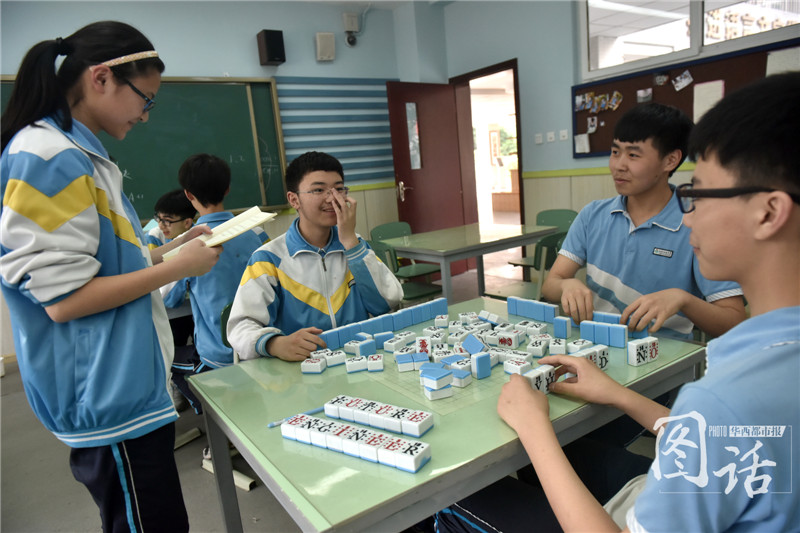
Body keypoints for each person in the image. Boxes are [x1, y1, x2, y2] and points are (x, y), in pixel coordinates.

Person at [436, 72, 800, 532]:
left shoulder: (721, 401)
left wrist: (535, 430)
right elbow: (728, 444)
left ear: (768, 212)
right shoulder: (759, 379)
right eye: (615, 151)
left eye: (701, 193)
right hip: (653, 470)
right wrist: (618, 395)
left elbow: (718, 429)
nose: (689, 219)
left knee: (460, 496)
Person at [0, 21, 222, 532]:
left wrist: (171, 250)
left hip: (122, 381)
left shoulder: (81, 152)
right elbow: (64, 300)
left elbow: (105, 262)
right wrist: (177, 268)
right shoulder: (48, 155)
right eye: (145, 99)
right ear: (101, 79)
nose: (146, 115)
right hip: (103, 391)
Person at [542, 102, 745, 339]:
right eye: (615, 152)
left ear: (670, 161)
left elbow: (734, 321)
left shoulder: (696, 224)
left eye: (633, 155)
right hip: (594, 346)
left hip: (661, 359)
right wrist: (568, 285)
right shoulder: (592, 215)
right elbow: (550, 285)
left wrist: (683, 300)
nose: (618, 165)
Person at [227, 150, 403, 361]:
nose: (332, 198)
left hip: (356, 360)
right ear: (294, 200)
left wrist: (350, 243)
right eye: (319, 190)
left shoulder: (354, 245)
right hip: (300, 369)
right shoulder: (269, 259)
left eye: (339, 189)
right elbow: (240, 327)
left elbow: (388, 302)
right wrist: (275, 343)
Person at [163, 153, 269, 414]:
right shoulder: (257, 231)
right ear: (228, 188)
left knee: (172, 359)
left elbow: (170, 300)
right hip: (261, 339)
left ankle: (217, 434)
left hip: (218, 354)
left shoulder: (189, 245)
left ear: (188, 195)